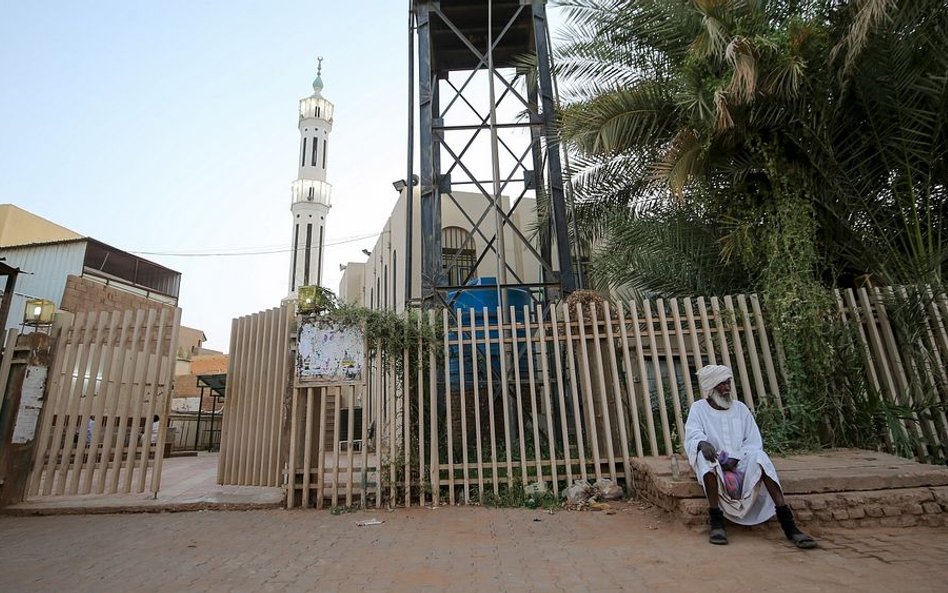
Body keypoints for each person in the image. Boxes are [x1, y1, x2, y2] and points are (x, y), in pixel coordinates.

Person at [684, 365, 817, 548]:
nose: (727, 387)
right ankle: (716, 521)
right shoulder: (698, 409)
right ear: (711, 387)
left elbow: (753, 441)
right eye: (722, 384)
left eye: (728, 382)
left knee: (760, 457)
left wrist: (737, 457)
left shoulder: (740, 409)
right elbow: (693, 434)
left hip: (741, 461)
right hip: (717, 461)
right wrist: (702, 443)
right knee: (704, 459)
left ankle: (789, 525)